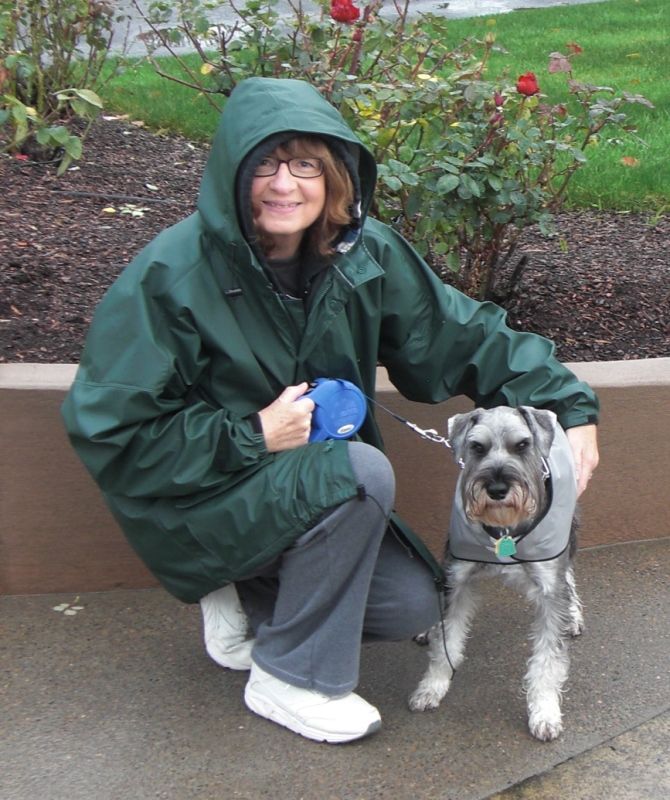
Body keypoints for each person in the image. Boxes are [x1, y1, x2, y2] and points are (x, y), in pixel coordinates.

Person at [61, 77, 599, 744]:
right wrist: (253, 434)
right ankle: (292, 676)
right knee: (358, 472)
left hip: (297, 496)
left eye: (305, 164)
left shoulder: (363, 256)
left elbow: (466, 338)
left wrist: (570, 405)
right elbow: (112, 431)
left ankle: (247, 597)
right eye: (264, 163)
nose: (284, 184)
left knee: (408, 603)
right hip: (199, 499)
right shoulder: (171, 276)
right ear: (232, 173)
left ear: (335, 175)